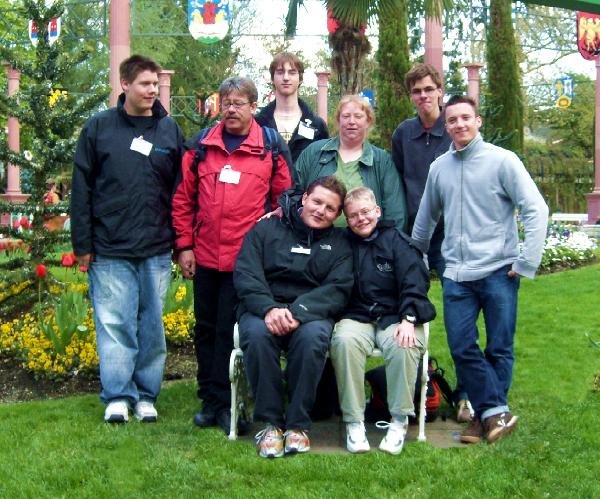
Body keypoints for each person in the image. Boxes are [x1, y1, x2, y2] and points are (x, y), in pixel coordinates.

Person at [412, 95, 549, 444]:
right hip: (456, 275)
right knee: (462, 347)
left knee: (499, 347)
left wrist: (526, 260)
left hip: (499, 271)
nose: (459, 124)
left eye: (465, 118)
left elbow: (535, 209)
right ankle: (494, 413)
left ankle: (481, 417)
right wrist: (417, 258)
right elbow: (425, 219)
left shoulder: (503, 161)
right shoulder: (439, 168)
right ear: (446, 126)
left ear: (478, 121)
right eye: (452, 120)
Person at [172, 76, 293, 435]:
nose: (231, 109)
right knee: (205, 330)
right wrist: (184, 246)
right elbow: (183, 199)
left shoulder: (269, 147)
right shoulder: (201, 146)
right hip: (205, 255)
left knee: (230, 331)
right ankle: (209, 399)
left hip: (246, 261)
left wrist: (267, 247)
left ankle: (229, 403)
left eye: (239, 103)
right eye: (226, 102)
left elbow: (284, 202)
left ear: (254, 106)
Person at [71, 54, 185, 423]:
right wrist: (83, 244)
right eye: (144, 83)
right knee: (115, 325)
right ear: (125, 84)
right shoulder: (99, 128)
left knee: (151, 326)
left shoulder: (169, 131)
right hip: (110, 248)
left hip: (156, 248)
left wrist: (182, 243)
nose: (152, 90)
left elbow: (182, 191)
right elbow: (81, 188)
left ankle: (147, 395)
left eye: (155, 84)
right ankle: (118, 397)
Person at [234, 176, 354, 458]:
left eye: (330, 208)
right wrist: (269, 308)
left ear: (337, 214)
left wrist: (298, 312)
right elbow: (247, 273)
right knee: (257, 335)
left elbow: (338, 288)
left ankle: (298, 425)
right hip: (264, 307)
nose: (321, 210)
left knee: (313, 339)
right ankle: (270, 424)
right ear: (305, 198)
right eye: (317, 202)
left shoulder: (340, 244)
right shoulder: (266, 228)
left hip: (311, 313)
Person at [391, 63, 472, 423]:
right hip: (414, 238)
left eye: (428, 89)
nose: (423, 96)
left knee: (460, 318)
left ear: (440, 90)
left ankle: (466, 395)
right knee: (407, 311)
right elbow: (397, 182)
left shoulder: (453, 128)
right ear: (410, 96)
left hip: (452, 238)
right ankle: (413, 390)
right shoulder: (404, 134)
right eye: (416, 91)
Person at [330, 187, 436, 455]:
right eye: (353, 215)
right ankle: (354, 422)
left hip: (396, 316)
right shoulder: (341, 243)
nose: (361, 219)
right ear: (346, 219)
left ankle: (399, 421)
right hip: (356, 316)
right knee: (344, 342)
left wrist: (409, 318)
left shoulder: (398, 241)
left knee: (404, 344)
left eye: (365, 212)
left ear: (377, 211)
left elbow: (415, 282)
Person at [294, 94, 407, 230]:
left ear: (368, 121)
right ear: (338, 120)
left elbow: (395, 211)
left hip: (367, 241)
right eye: (346, 116)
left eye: (358, 116)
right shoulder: (314, 152)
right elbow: (293, 192)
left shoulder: (382, 161)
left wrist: (389, 241)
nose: (351, 121)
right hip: (316, 238)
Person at [255, 52, 329, 164]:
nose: (286, 78)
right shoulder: (257, 123)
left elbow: (324, 166)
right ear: (272, 78)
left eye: (292, 72)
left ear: (300, 79)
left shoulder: (317, 125)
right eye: (280, 72)